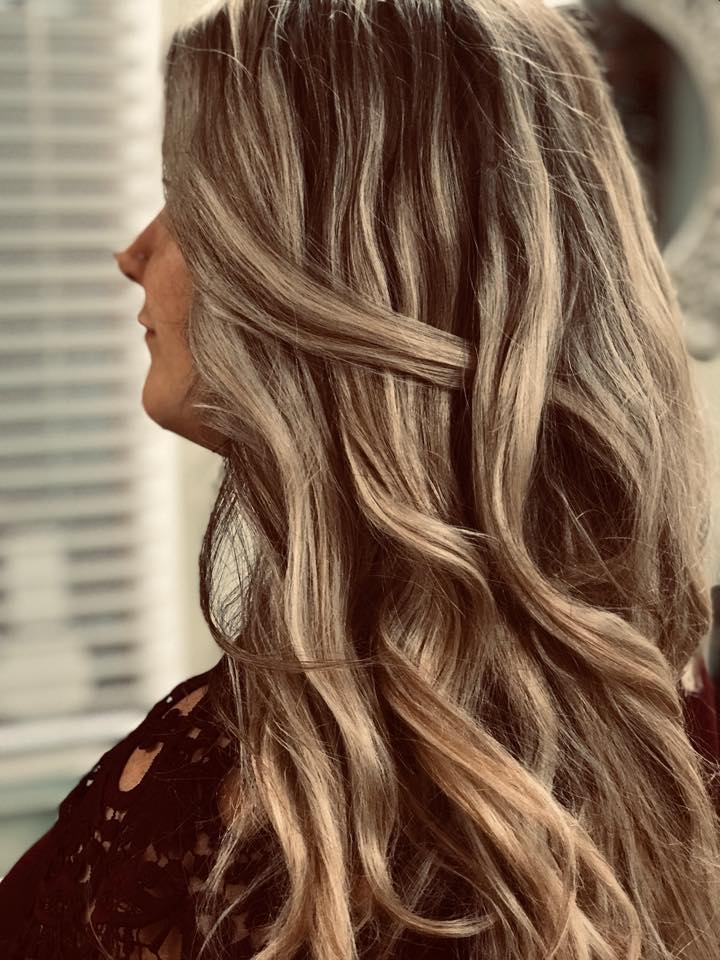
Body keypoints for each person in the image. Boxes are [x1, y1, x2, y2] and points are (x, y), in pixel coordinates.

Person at [1, 0, 720, 956]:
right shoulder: (670, 724)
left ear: (316, 266)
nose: (134, 253)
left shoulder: (206, 818)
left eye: (183, 194)